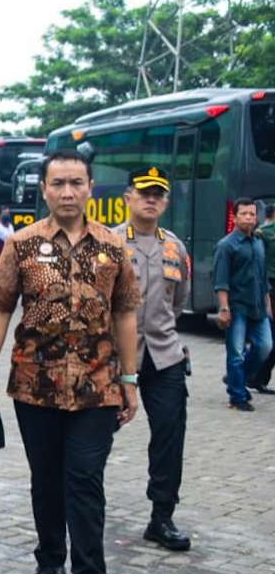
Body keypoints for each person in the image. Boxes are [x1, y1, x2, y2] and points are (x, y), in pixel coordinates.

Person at [0, 150, 141, 574]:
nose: (67, 192)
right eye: (58, 184)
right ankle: (51, 558)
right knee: (47, 479)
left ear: (90, 187)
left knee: (85, 480)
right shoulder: (23, 244)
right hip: (36, 386)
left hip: (98, 388)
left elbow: (126, 312)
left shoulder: (113, 247)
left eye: (76, 183)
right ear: (44, 190)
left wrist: (130, 380)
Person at [115, 167, 192, 551]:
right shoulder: (108, 242)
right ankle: (80, 511)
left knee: (169, 434)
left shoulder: (175, 247)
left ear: (165, 202)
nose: (151, 199)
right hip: (113, 358)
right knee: (93, 436)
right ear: (128, 197)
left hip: (164, 356)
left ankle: (162, 516)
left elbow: (178, 304)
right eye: (143, 192)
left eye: (158, 194)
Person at [213, 197, 272, 411]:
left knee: (265, 347)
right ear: (235, 217)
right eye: (244, 214)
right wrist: (224, 308)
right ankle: (238, 397)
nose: (248, 218)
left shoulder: (258, 242)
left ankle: (236, 378)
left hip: (258, 306)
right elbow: (221, 280)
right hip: (236, 307)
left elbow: (263, 276)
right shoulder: (226, 245)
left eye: (252, 214)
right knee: (236, 352)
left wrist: (267, 304)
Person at [252, 203, 275, 392]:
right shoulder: (262, 233)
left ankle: (256, 377)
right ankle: (251, 374)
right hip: (268, 287)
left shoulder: (260, 232)